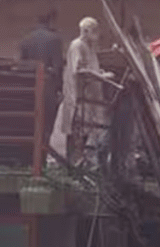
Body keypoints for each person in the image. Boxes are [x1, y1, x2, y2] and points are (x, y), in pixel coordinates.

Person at [49, 17, 116, 168]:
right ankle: (73, 168)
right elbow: (79, 71)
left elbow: (89, 67)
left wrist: (99, 72)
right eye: (95, 31)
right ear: (86, 31)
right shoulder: (77, 45)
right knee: (77, 134)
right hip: (78, 98)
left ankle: (79, 167)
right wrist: (101, 76)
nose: (97, 34)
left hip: (89, 98)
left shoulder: (89, 47)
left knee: (85, 133)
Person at [19, 9, 65, 135]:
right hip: (47, 86)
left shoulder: (26, 39)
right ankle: (44, 149)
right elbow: (58, 66)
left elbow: (22, 65)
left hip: (29, 86)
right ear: (49, 22)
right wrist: (60, 88)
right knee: (47, 124)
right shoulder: (55, 39)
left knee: (30, 124)